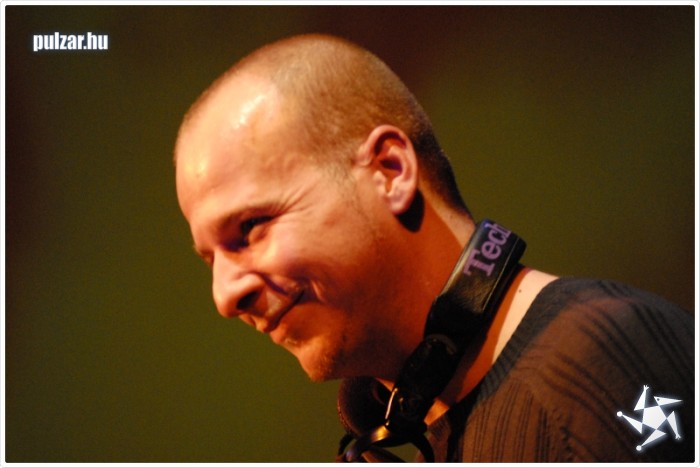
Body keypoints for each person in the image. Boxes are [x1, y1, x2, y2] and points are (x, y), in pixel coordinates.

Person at [174, 33, 695, 462]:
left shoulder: (604, 362)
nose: (224, 296)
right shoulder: (423, 422)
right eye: (211, 258)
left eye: (252, 227)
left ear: (390, 171)